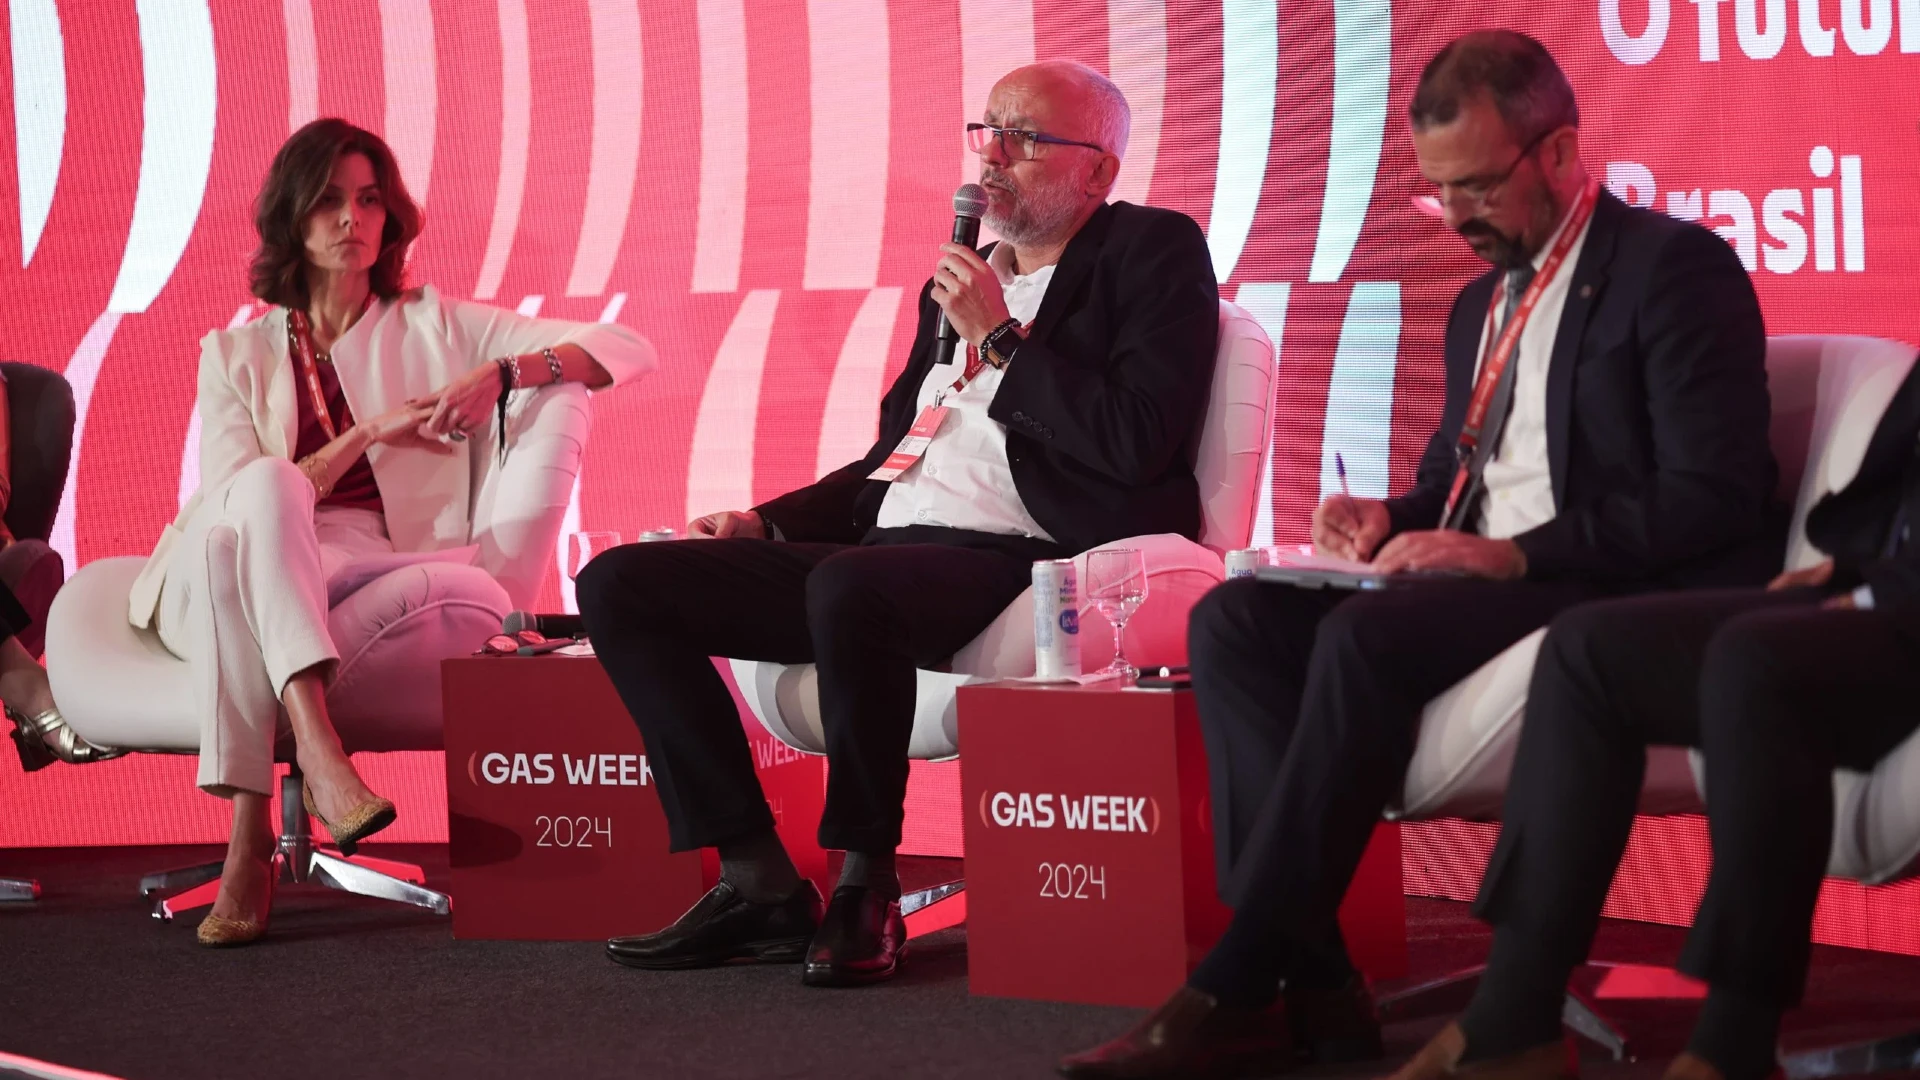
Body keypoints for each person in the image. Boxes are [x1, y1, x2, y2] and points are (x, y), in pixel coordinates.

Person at [1060, 31, 1781, 1079]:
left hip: (1607, 585)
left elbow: (1712, 496)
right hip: (1478, 579)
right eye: (1444, 194)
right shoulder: (1482, 304)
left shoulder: (1671, 273)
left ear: (1563, 153)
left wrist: (1516, 558)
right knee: (1235, 618)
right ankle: (1314, 974)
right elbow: (1457, 474)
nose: (1465, 217)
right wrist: (1387, 523)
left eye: (1483, 186)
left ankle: (1239, 975)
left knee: (1364, 636)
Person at [579, 60, 1219, 987]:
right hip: (884, 553)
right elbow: (892, 458)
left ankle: (864, 884)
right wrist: (763, 522)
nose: (991, 158)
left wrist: (1000, 340)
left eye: (1025, 138)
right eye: (986, 130)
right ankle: (758, 880)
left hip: (1020, 554)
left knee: (852, 585)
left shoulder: (1148, 251)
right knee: (621, 584)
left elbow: (1137, 440)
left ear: (1098, 173)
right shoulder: (958, 282)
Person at [127, 118, 653, 948]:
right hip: (220, 556)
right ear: (292, 220)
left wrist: (504, 372)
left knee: (254, 545)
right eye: (330, 201)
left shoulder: (435, 326)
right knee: (260, 498)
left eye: (369, 200)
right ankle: (320, 750)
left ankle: (248, 832)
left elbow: (627, 345)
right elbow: (230, 495)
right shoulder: (230, 353)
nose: (352, 219)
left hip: (360, 559)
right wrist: (364, 435)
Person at [1390, 358, 1920, 1080]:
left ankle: (1733, 1042)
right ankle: (1513, 1017)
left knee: (1753, 658)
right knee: (1588, 650)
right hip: (1883, 587)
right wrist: (1859, 569)